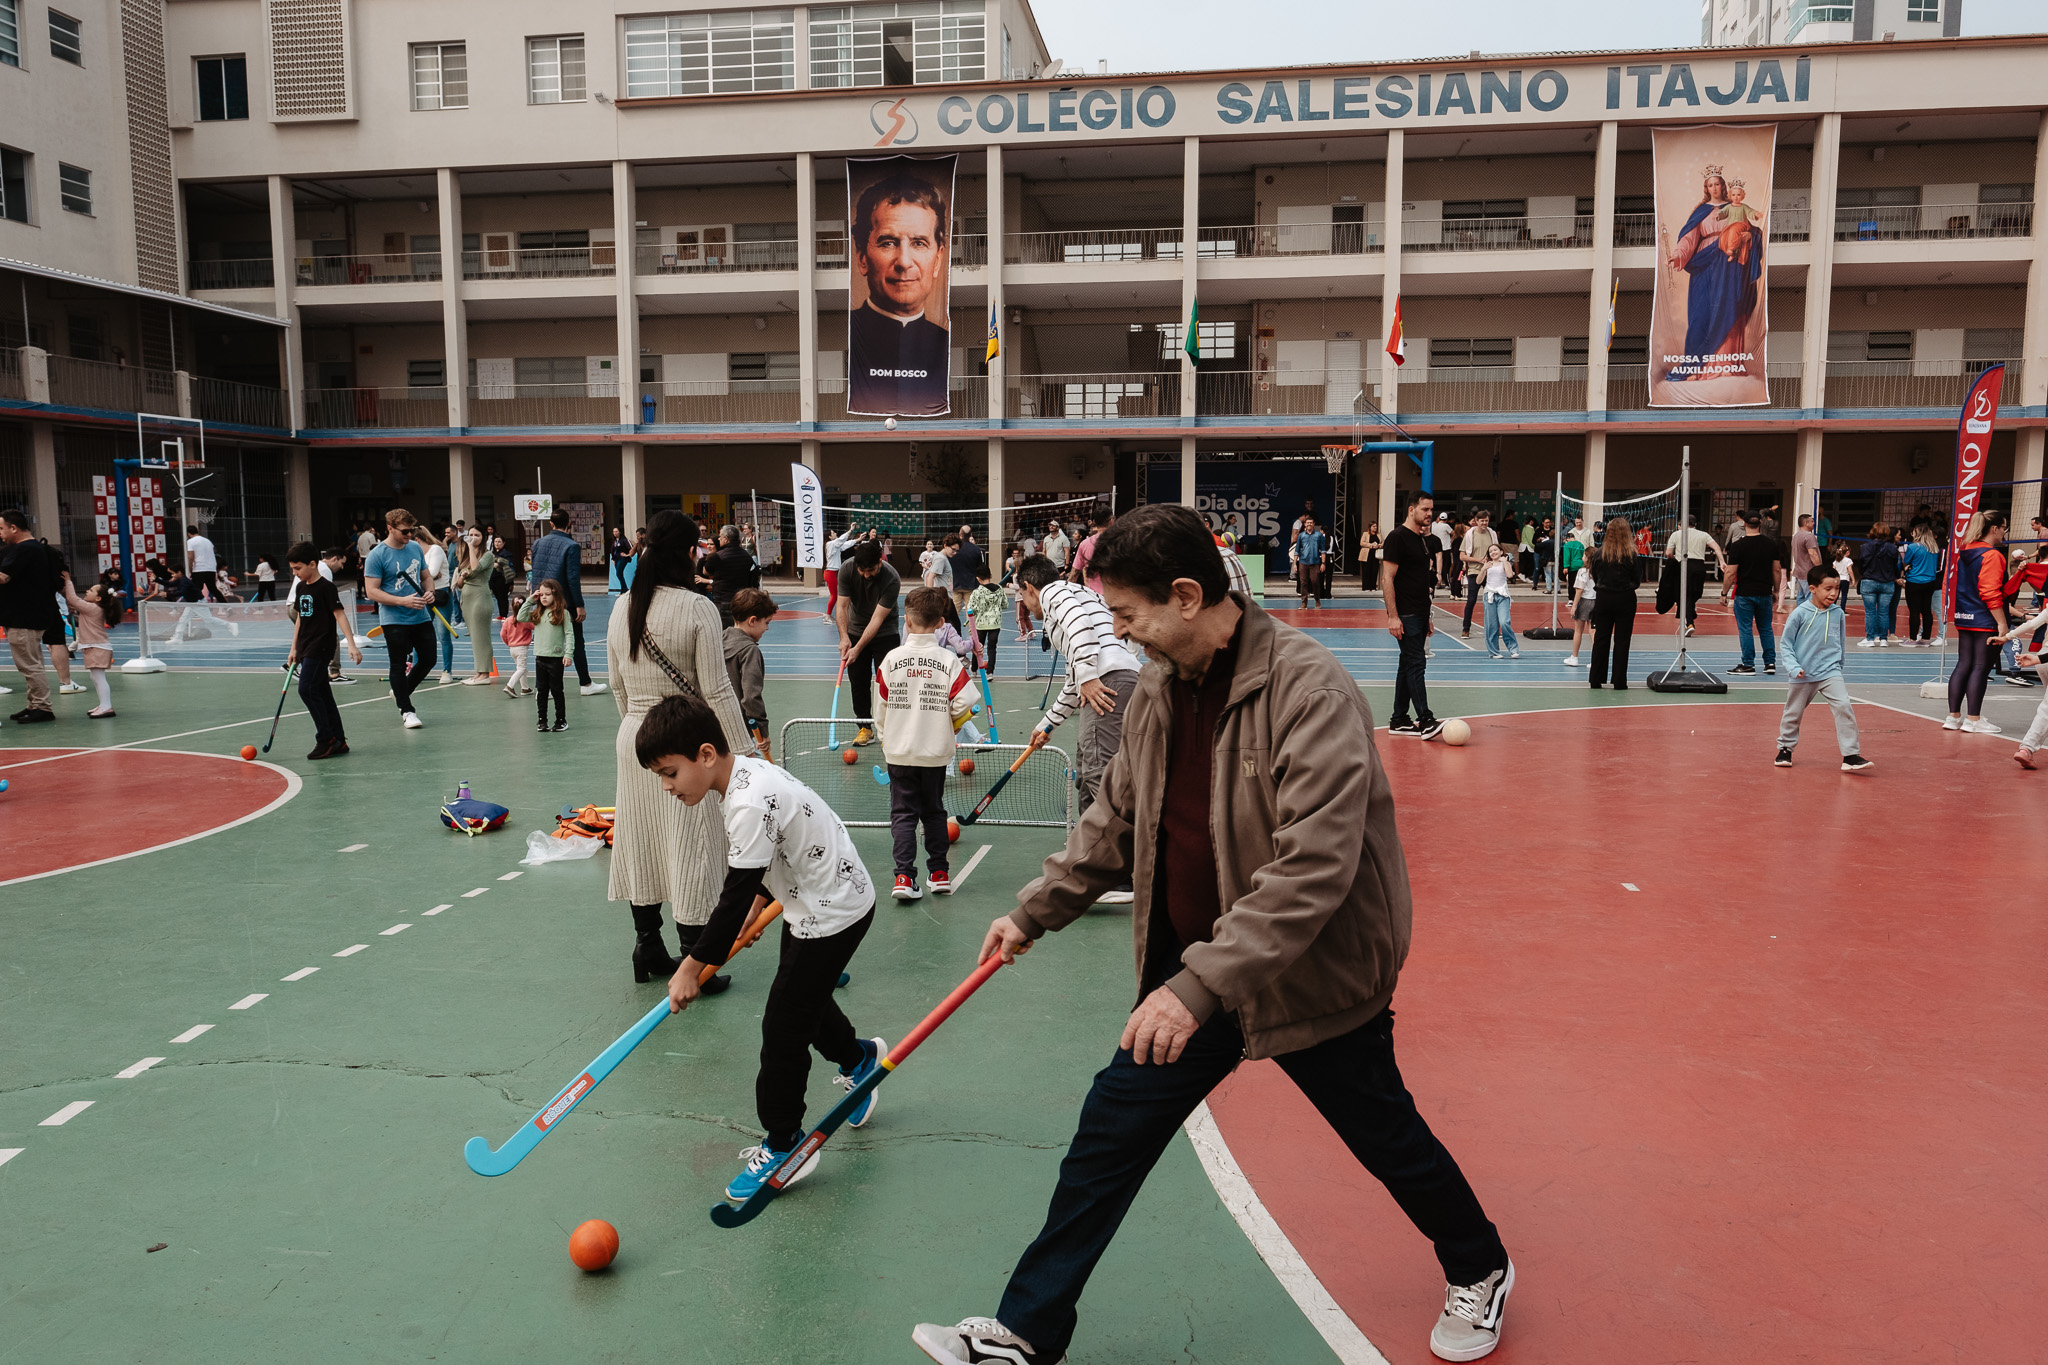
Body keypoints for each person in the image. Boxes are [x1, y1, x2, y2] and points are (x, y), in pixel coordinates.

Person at [912, 503, 1513, 1365]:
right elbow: (1116, 818)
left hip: (1309, 969)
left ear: (1187, 595)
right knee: (1106, 1139)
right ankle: (1027, 1332)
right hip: (1198, 970)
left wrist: (1195, 986)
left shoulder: (1310, 691)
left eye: (1126, 614)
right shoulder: (1158, 690)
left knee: (1385, 1134)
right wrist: (1034, 908)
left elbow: (1314, 867)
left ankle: (1481, 1263)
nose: (1116, 632)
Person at [640, 691, 884, 1203]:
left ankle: (786, 1143)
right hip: (821, 900)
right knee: (805, 1003)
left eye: (669, 772)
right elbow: (761, 865)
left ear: (706, 755)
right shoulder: (745, 774)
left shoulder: (746, 802)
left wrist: (691, 965)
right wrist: (759, 901)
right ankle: (859, 1059)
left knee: (782, 1028)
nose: (666, 787)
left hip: (830, 913)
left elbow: (729, 898)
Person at [609, 511, 756, 986]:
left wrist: (639, 732)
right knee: (693, 845)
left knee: (641, 838)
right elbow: (716, 691)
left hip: (636, 736)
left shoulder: (622, 606)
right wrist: (745, 755)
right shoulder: (697, 608)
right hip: (685, 739)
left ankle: (646, 945)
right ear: (690, 552)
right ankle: (697, 958)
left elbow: (617, 686)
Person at [1015, 554, 1142, 847]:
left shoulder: (1054, 592)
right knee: (1086, 776)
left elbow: (1080, 627)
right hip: (1121, 680)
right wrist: (1047, 724)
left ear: (1029, 587)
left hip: (1108, 682)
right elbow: (1075, 683)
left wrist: (1088, 676)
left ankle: (1125, 871)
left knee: (1099, 775)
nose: (1024, 602)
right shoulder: (1082, 592)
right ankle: (1092, 854)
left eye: (1021, 595)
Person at [876, 586, 977, 900]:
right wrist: (946, 721)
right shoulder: (948, 660)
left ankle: (904, 878)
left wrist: (886, 739)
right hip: (934, 753)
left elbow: (880, 707)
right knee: (934, 813)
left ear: (906, 620)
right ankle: (939, 873)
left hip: (899, 751)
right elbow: (966, 704)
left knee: (903, 815)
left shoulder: (891, 659)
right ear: (940, 622)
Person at [848, 170, 951, 417]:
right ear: (862, 256)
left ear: (937, 260)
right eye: (888, 243)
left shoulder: (943, 338)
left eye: (919, 243)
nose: (904, 262)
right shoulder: (850, 332)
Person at [1774, 567, 1871, 772]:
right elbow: (1786, 644)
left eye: (1836, 588)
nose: (1833, 594)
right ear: (1812, 589)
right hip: (1803, 674)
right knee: (1793, 713)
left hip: (1830, 672)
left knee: (1844, 706)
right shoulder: (1800, 613)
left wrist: (1839, 666)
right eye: (1828, 588)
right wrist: (1793, 667)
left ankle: (1850, 755)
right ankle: (1785, 749)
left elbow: (1841, 642)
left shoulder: (1838, 614)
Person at [285, 541, 362, 760]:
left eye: (298, 568)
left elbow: (339, 615)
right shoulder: (301, 588)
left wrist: (352, 645)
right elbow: (300, 618)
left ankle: (326, 739)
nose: (295, 573)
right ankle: (338, 740)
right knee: (323, 694)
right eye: (292, 569)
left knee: (306, 689)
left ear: (312, 564)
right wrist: (293, 647)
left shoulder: (326, 588)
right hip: (306, 646)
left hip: (321, 646)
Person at [362, 508, 435, 729]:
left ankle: (400, 691)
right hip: (394, 618)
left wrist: (429, 591)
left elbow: (425, 576)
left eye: (412, 530)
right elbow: (371, 591)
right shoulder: (377, 555)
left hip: (420, 615)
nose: (409, 535)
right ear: (390, 528)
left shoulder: (414, 547)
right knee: (398, 664)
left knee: (429, 659)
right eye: (404, 531)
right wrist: (402, 601)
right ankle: (407, 710)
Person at [1382, 493, 1445, 739]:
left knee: (1407, 664)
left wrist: (1427, 615)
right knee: (1417, 663)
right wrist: (1392, 616)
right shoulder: (1397, 537)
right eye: (1425, 509)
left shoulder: (1421, 539)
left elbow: (1418, 581)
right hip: (1405, 614)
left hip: (1418, 612)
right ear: (1411, 509)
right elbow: (1387, 579)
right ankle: (1426, 720)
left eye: (1432, 509)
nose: (1430, 514)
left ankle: (1399, 719)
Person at [529, 507, 606, 696]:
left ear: (551, 524)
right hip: (565, 601)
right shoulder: (571, 546)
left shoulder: (538, 543)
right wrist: (579, 604)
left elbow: (535, 572)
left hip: (543, 599)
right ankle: (585, 684)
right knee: (576, 641)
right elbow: (572, 578)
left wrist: (536, 596)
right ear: (569, 524)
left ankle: (542, 689)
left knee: (546, 644)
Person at [1946, 510, 2010, 734]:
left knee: (1964, 664)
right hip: (1985, 618)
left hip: (1965, 615)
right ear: (1994, 529)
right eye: (2004, 528)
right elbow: (1989, 591)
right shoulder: (1992, 555)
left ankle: (1953, 717)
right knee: (1981, 668)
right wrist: (2002, 623)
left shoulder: (1965, 551)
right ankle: (1973, 719)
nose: (2005, 533)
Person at [837, 538, 903, 747]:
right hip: (855, 631)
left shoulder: (891, 578)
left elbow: (877, 619)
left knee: (889, 683)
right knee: (858, 681)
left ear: (880, 562)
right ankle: (865, 728)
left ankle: (890, 730)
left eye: (871, 570)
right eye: (862, 571)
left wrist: (858, 648)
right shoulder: (846, 570)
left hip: (885, 633)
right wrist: (845, 637)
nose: (866, 575)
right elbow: (842, 607)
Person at [0, 510, 59, 723]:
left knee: (29, 664)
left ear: (13, 528)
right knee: (32, 662)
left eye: (2, 529)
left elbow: (4, 577)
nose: (1, 534)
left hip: (23, 617)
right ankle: (34, 704)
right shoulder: (34, 548)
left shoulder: (24, 549)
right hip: (29, 614)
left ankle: (43, 707)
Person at [1723, 511, 1784, 676]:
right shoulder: (1771, 544)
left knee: (1745, 629)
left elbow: (1730, 572)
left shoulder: (1737, 545)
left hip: (1744, 593)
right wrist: (1776, 590)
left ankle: (1748, 664)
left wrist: (1724, 593)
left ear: (1744, 524)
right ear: (1761, 523)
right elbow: (1777, 569)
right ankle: (1770, 663)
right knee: (1765, 628)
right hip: (1764, 592)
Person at [723, 586, 778, 762]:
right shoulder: (749, 651)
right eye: (767, 622)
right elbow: (751, 697)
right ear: (752, 620)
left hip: (716, 724)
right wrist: (763, 732)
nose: (767, 628)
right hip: (742, 731)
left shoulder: (719, 640)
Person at [1996, 593, 2048, 767]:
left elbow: (2032, 624)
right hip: (2042, 659)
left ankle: (2026, 748)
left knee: (2046, 709)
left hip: (2042, 660)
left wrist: (2006, 637)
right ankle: (2028, 747)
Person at [1588, 516, 1640, 690]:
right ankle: (1619, 681)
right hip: (1625, 598)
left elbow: (1594, 575)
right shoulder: (1631, 555)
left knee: (1601, 639)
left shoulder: (1599, 554)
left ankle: (1595, 679)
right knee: (1622, 640)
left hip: (1603, 597)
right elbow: (1637, 580)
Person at [60, 571, 121, 718]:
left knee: (99, 678)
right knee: (96, 677)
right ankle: (103, 704)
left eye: (91, 590)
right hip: (95, 646)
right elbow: (72, 603)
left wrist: (68, 581)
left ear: (98, 598)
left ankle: (106, 706)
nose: (87, 591)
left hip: (97, 647)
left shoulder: (93, 608)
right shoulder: (92, 608)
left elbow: (73, 599)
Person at [519, 581, 574, 733]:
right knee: (541, 691)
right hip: (540, 658)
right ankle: (542, 720)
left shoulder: (563, 613)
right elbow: (521, 616)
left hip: (556, 658)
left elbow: (569, 635)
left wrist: (568, 654)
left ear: (555, 594)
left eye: (547, 594)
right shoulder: (538, 613)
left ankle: (561, 720)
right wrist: (531, 599)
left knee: (557, 690)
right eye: (541, 594)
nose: (543, 597)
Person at [1663, 515, 1723, 635]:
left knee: (1686, 596)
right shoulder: (1703, 534)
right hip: (1699, 566)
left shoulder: (1676, 534)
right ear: (1695, 524)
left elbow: (1668, 553)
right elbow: (1716, 547)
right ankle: (1689, 621)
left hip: (1683, 565)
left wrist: (1675, 559)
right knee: (1694, 594)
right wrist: (1722, 562)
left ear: (1683, 524)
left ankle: (1689, 620)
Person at [413, 525, 457, 684]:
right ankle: (416, 669)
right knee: (419, 634)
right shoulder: (415, 553)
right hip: (424, 594)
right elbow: (426, 574)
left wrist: (427, 576)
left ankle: (447, 671)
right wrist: (427, 576)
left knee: (443, 634)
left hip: (440, 595)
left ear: (417, 540)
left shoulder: (435, 550)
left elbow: (431, 573)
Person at [454, 527, 497, 683]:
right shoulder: (466, 556)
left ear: (483, 537)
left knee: (482, 637)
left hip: (480, 599)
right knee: (475, 638)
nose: (472, 538)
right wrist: (463, 576)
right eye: (470, 535)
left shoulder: (488, 555)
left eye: (476, 535)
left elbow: (477, 568)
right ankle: (479, 672)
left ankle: (485, 674)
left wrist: (471, 547)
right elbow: (459, 584)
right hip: (467, 599)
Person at [1856, 523, 1900, 648]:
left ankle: (1870, 638)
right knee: (1884, 612)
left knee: (1870, 612)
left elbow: (1861, 564)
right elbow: (1894, 565)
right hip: (1887, 582)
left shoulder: (1865, 547)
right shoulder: (1892, 548)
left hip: (1869, 580)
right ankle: (1883, 639)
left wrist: (1864, 573)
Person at [1900, 525, 1942, 646]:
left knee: (1914, 610)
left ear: (1918, 533)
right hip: (1930, 581)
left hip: (1914, 580)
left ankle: (1913, 638)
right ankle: (1925, 638)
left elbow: (1906, 561)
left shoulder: (1913, 547)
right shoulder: (1934, 547)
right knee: (1926, 610)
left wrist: (1907, 568)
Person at [1458, 509, 1497, 637]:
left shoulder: (1492, 533)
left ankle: (1495, 628)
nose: (1484, 523)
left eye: (1486, 520)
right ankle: (1466, 628)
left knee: (1493, 600)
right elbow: (1462, 556)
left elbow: (1497, 550)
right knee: (1471, 600)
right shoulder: (1470, 535)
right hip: (1474, 571)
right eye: (1482, 521)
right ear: (1476, 521)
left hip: (1490, 571)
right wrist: (1478, 559)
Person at [967, 563, 1006, 675]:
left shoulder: (977, 592)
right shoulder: (999, 589)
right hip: (995, 624)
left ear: (978, 579)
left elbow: (971, 608)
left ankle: (974, 669)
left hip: (981, 624)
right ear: (991, 575)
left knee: (978, 647)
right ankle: (990, 672)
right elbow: (1005, 604)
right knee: (992, 648)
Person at [1480, 543, 1518, 659]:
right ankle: (1494, 651)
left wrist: (1505, 561)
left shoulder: (1504, 563)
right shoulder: (1488, 565)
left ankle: (1513, 648)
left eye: (1495, 550)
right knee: (1491, 625)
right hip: (1490, 595)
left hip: (1503, 595)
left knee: (1504, 622)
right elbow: (1478, 581)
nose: (1493, 552)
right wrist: (1483, 569)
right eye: (1491, 551)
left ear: (1501, 551)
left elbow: (1510, 575)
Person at [1565, 555, 1597, 667]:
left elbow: (1579, 590)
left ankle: (1574, 657)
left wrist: (1574, 605)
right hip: (1596, 601)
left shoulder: (1583, 571)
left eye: (1584, 555)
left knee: (1578, 630)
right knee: (1593, 631)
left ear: (1588, 558)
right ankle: (1596, 660)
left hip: (1585, 601)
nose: (1582, 557)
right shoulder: (1598, 570)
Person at [824, 523, 861, 617]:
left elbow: (845, 545)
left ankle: (836, 614)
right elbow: (841, 540)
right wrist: (850, 530)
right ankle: (827, 616)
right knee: (834, 596)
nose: (835, 533)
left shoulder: (835, 545)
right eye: (833, 533)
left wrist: (858, 540)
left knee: (838, 594)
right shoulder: (830, 544)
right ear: (830, 537)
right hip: (830, 573)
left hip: (834, 572)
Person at [1295, 513, 1328, 608]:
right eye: (1307, 523)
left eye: (1311, 523)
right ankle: (1304, 602)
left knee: (1315, 581)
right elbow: (1297, 550)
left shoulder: (1319, 535)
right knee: (1303, 583)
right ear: (1305, 524)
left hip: (1315, 562)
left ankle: (1317, 600)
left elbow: (1323, 550)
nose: (1309, 524)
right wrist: (1294, 564)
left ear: (1314, 524)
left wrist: (1323, 563)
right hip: (1303, 562)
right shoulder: (1301, 536)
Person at [1789, 514, 1823, 606]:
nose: (1814, 523)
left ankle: (1800, 617)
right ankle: (1808, 619)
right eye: (1811, 521)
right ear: (1805, 523)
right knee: (1810, 598)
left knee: (1801, 597)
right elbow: (1813, 553)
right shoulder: (1809, 536)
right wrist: (1820, 569)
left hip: (1799, 571)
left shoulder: (1796, 536)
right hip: (1808, 572)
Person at [185, 524, 219, 600]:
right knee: (213, 589)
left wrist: (190, 570)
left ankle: (196, 607)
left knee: (195, 589)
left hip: (199, 569)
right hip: (211, 568)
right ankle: (226, 605)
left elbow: (190, 557)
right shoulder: (208, 541)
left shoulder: (190, 541)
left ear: (188, 533)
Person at [489, 535, 514, 619]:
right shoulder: (492, 553)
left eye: (499, 542)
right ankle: (501, 614)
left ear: (503, 543)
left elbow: (509, 564)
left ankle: (504, 614)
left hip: (502, 577)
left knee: (502, 596)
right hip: (493, 577)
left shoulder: (507, 553)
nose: (497, 543)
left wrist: (499, 564)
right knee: (497, 596)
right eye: (495, 541)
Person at [1360, 520, 1382, 589]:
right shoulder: (1365, 534)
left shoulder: (1378, 535)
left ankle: (1373, 587)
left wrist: (1378, 545)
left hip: (1375, 555)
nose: (1375, 528)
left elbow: (1383, 543)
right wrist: (1370, 545)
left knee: (1374, 571)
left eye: (1376, 526)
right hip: (1367, 554)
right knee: (1366, 570)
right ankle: (1366, 587)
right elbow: (1362, 543)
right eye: (1374, 526)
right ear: (1370, 527)